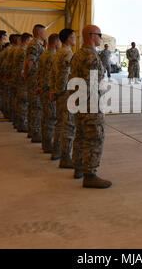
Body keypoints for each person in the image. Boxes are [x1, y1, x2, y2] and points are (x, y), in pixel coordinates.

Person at [70, 25, 112, 188]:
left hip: (80, 103)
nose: (101, 37)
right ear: (91, 35)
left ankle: (79, 168)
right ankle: (90, 174)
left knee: (81, 136)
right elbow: (92, 84)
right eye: (99, 34)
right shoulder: (91, 56)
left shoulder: (79, 54)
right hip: (91, 105)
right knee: (95, 137)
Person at [50, 29, 76, 167]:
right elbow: (69, 73)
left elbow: (53, 73)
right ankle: (65, 157)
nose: (75, 38)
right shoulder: (67, 53)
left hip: (59, 91)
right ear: (67, 39)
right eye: (73, 36)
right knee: (69, 125)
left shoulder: (58, 52)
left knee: (60, 122)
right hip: (66, 92)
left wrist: (54, 90)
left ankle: (56, 151)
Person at [38, 33, 61, 154]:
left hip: (43, 89)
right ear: (56, 42)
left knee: (46, 117)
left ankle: (45, 144)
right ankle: (48, 145)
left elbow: (39, 72)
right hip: (49, 90)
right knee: (51, 119)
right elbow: (52, 76)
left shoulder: (44, 54)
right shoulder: (53, 56)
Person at [24, 25, 46, 142]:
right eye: (44, 31)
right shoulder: (34, 45)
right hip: (35, 79)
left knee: (34, 106)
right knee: (36, 106)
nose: (45, 34)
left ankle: (32, 130)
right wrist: (28, 75)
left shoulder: (37, 44)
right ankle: (35, 132)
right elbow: (29, 62)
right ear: (39, 32)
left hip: (35, 78)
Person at [13, 33, 33, 132]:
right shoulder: (24, 51)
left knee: (20, 102)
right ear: (27, 41)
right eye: (30, 40)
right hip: (22, 79)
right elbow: (23, 66)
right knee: (23, 103)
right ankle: (22, 124)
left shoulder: (18, 49)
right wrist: (25, 75)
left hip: (18, 78)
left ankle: (19, 123)